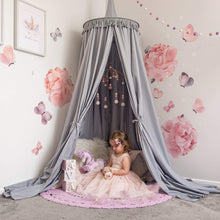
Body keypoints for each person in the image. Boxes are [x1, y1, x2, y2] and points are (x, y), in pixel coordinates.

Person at [75, 130, 158, 199]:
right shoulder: (113, 155)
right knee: (99, 180)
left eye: (116, 146)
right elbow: (110, 164)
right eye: (112, 146)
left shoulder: (125, 157)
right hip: (110, 171)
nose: (113, 148)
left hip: (120, 175)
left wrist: (113, 172)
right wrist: (106, 168)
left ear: (124, 144)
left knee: (115, 187)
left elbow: (125, 171)